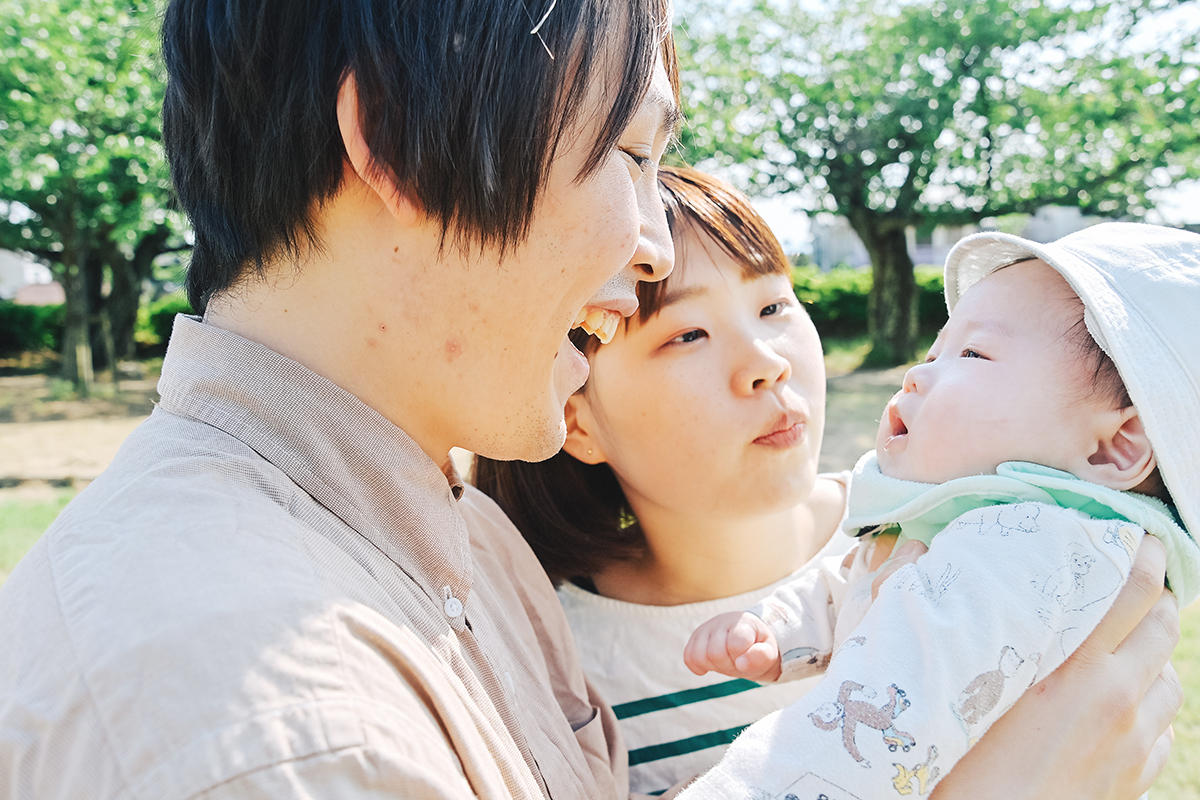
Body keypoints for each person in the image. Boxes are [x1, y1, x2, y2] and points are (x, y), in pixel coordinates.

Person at [0, 1, 1180, 798]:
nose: (657, 241)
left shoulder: (463, 539)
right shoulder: (277, 728)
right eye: (630, 157)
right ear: (397, 144)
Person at [683, 222, 1200, 799]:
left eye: (973, 353)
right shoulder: (979, 529)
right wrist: (782, 626)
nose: (917, 373)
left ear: (1113, 447)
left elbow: (865, 727)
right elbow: (870, 585)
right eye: (936, 351)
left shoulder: (1028, 548)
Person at [475, 164, 874, 795]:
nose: (766, 362)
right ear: (575, 421)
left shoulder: (934, 529)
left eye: (773, 306)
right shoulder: (561, 672)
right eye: (688, 334)